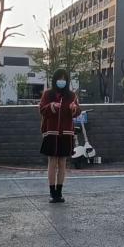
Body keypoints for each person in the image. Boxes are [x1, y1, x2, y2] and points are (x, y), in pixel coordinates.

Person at [39, 69, 81, 203]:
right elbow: (41, 109)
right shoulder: (47, 94)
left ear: (67, 81)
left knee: (62, 162)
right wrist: (51, 105)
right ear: (54, 80)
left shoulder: (71, 95)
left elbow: (77, 111)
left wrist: (74, 108)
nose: (61, 81)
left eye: (64, 79)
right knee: (52, 162)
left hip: (66, 133)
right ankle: (52, 193)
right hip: (51, 132)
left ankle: (59, 192)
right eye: (59, 78)